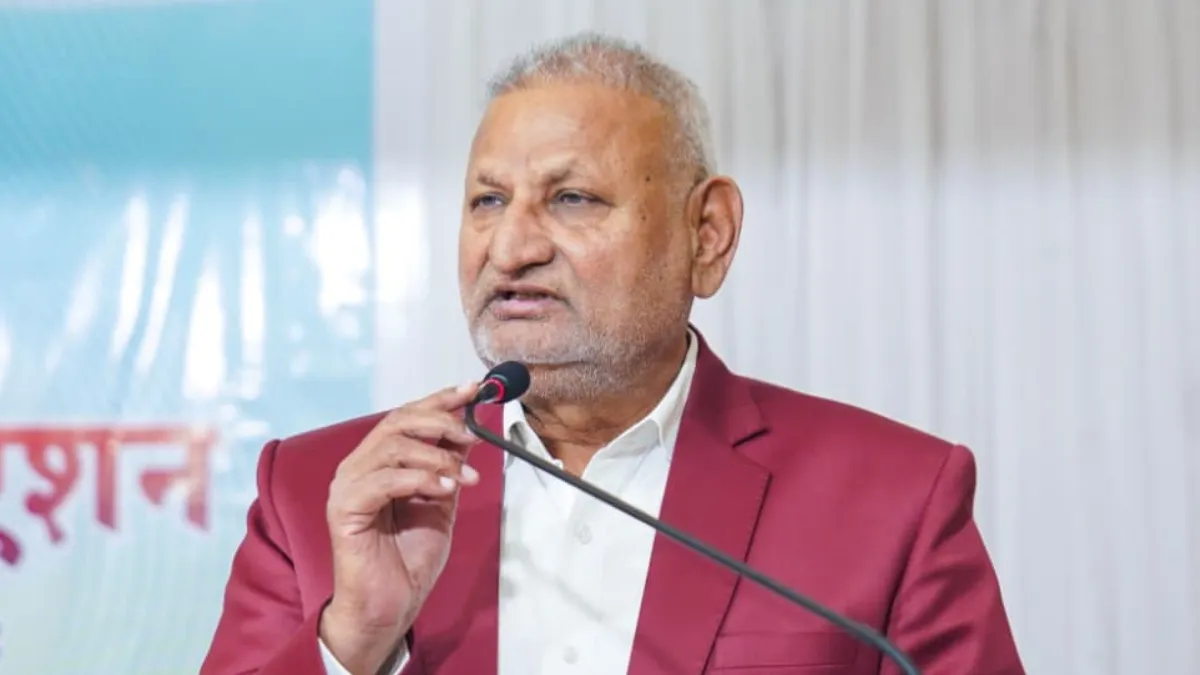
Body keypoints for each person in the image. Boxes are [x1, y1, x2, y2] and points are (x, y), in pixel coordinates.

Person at [200, 33, 1025, 675]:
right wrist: (354, 636)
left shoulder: (894, 498)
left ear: (707, 234)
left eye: (571, 198)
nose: (511, 247)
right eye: (487, 200)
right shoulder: (318, 494)